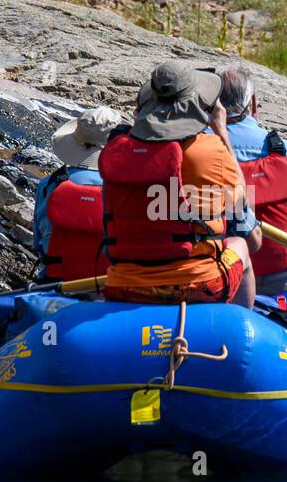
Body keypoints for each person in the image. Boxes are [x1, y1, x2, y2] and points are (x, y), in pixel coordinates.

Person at [98, 61, 261, 308]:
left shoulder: (118, 152)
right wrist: (222, 133)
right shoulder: (210, 150)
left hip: (123, 284)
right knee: (239, 245)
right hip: (199, 284)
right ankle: (240, 328)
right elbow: (241, 202)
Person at [217, 67, 287, 296]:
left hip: (225, 273)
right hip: (282, 277)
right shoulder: (279, 147)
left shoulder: (202, 148)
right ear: (254, 104)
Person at [32, 106, 120, 282]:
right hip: (108, 279)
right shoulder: (121, 188)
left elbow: (39, 242)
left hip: (56, 277)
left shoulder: (50, 184)